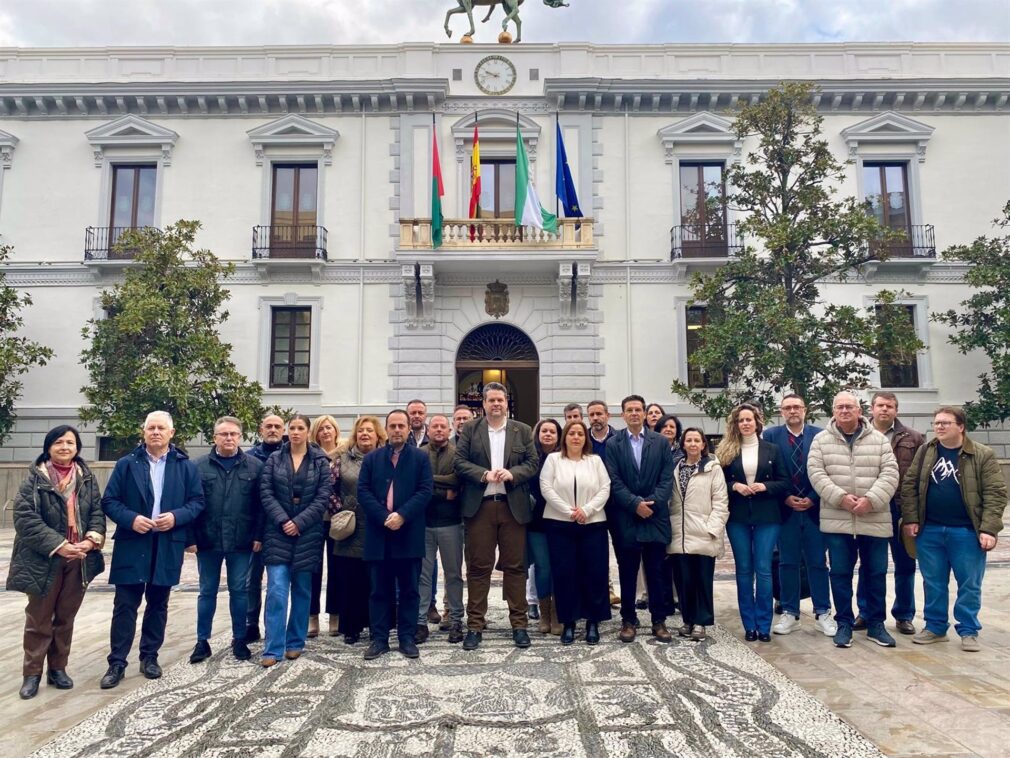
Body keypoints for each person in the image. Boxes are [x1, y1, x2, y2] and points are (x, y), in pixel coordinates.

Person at [100, 411, 205, 689]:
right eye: (151, 428)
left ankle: (149, 657)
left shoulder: (185, 466)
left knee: (158, 604)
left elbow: (197, 502)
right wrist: (131, 519)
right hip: (133, 541)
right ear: (143, 432)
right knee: (125, 605)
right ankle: (117, 662)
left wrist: (176, 517)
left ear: (171, 433)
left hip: (166, 542)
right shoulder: (126, 464)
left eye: (161, 428)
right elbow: (109, 501)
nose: (156, 432)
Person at [8, 425, 106, 699]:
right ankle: (32, 674)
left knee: (65, 617)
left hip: (79, 558)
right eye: (59, 442)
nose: (65, 447)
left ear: (77, 448)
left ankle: (58, 669)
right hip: (44, 558)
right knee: (39, 618)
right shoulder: (35, 479)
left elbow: (96, 512)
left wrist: (90, 540)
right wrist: (59, 545)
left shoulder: (86, 478)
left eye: (70, 443)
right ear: (48, 446)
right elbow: (25, 519)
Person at [902, 406, 1008, 652]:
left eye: (945, 423)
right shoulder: (926, 451)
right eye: (937, 422)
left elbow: (996, 493)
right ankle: (935, 627)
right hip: (930, 531)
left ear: (960, 426)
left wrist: (989, 529)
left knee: (969, 583)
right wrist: (911, 518)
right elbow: (910, 485)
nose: (939, 427)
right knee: (933, 581)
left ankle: (968, 630)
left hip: (966, 531)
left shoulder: (982, 454)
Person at [808, 391, 899, 649]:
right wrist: (841, 498)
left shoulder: (879, 440)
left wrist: (871, 499)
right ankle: (844, 623)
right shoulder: (821, 440)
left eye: (849, 406)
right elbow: (816, 473)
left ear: (860, 410)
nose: (845, 411)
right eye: (839, 407)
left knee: (876, 573)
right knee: (840, 573)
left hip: (874, 517)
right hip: (837, 519)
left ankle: (876, 623)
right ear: (833, 411)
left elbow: (891, 473)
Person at [454, 381, 539, 651]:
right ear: (483, 404)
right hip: (480, 506)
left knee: (515, 567)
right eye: (491, 400)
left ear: (506, 403)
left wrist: (514, 474)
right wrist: (483, 474)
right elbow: (459, 462)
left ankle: (520, 625)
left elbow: (533, 463)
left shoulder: (522, 430)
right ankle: (475, 626)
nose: (496, 404)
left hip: (512, 505)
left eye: (500, 400)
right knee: (479, 567)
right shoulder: (471, 428)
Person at [357, 410, 434, 660]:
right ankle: (379, 639)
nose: (397, 430)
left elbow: (424, 491)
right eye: (393, 426)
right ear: (386, 429)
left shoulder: (420, 458)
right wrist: (384, 516)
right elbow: (363, 492)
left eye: (402, 425)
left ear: (408, 429)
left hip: (408, 532)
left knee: (410, 590)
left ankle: (407, 638)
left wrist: (402, 515)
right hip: (379, 534)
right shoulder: (372, 459)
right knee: (379, 590)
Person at [258, 415, 332, 667]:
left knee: (302, 589)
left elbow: (323, 497)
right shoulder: (274, 459)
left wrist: (299, 522)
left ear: (308, 432)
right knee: (277, 589)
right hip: (278, 530)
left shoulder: (320, 461)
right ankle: (273, 646)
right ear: (287, 432)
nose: (296, 432)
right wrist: (283, 520)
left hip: (307, 531)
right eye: (293, 428)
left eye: (301, 428)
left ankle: (295, 642)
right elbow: (265, 493)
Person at [191, 416, 263, 664]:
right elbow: (191, 504)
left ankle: (240, 639)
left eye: (233, 434)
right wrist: (190, 538)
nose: (229, 438)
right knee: (206, 591)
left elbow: (260, 506)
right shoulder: (198, 467)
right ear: (215, 438)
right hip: (208, 539)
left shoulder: (254, 467)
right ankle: (202, 641)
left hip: (241, 541)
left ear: (240, 437)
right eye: (223, 434)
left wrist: (258, 535)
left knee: (239, 591)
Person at [763, 394, 835, 637]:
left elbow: (829, 470)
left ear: (805, 410)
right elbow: (768, 472)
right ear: (781, 412)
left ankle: (823, 611)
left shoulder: (820, 435)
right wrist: (784, 497)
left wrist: (813, 498)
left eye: (796, 407)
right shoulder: (771, 435)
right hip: (786, 509)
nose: (792, 411)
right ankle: (790, 612)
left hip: (815, 508)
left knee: (817, 562)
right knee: (787, 562)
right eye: (787, 408)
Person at [605, 395, 675, 643]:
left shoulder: (660, 443)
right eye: (629, 410)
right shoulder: (614, 444)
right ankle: (628, 619)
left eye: (638, 409)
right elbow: (613, 480)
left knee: (656, 571)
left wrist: (651, 505)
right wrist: (635, 504)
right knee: (627, 571)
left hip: (655, 517)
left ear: (645, 414)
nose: (634, 413)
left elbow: (667, 479)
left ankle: (659, 620)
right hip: (626, 517)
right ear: (622, 415)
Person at [718, 403, 789, 643]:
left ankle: (764, 625)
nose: (745, 423)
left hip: (767, 516)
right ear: (736, 425)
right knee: (744, 570)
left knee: (764, 569)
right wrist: (735, 486)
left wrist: (765, 486)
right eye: (741, 420)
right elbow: (719, 484)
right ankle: (749, 625)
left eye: (749, 419)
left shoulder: (772, 449)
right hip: (738, 516)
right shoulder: (728, 451)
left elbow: (784, 482)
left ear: (757, 422)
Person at [858, 392, 925, 635]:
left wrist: (914, 514)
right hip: (871, 506)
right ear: (871, 409)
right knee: (869, 564)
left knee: (905, 563)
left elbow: (919, 477)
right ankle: (865, 612)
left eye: (889, 406)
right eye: (880, 405)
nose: (884, 409)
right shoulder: (860, 435)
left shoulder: (914, 438)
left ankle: (904, 614)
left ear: (896, 410)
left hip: (900, 508)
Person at [540, 420, 612, 645]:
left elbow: (605, 488)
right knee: (564, 574)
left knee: (595, 573)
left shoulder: (595, 460)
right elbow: (546, 487)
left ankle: (593, 622)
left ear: (585, 438)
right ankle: (568, 622)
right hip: (560, 524)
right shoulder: (553, 459)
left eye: (580, 434)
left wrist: (587, 510)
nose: (576, 437)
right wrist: (569, 511)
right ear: (565, 438)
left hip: (593, 524)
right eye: (572, 433)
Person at [668, 427, 729, 642]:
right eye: (689, 440)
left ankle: (701, 621)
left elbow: (721, 502)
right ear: (683, 444)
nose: (693, 444)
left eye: (697, 440)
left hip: (703, 533)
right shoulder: (675, 468)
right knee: (684, 580)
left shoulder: (712, 469)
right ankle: (688, 619)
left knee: (702, 580)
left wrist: (712, 529)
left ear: (703, 445)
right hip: (679, 535)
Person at [331, 416, 386, 644]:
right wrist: (340, 509)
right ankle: (351, 627)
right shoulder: (341, 459)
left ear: (378, 436)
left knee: (376, 580)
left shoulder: (386, 458)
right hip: (350, 527)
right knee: (350, 579)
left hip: (378, 525)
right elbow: (329, 488)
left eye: (370, 431)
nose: (365, 434)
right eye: (361, 431)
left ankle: (377, 625)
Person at [416, 414, 465, 645]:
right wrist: (441, 490)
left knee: (453, 575)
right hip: (423, 523)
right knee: (423, 576)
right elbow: (417, 485)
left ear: (449, 429)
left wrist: (430, 482)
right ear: (428, 430)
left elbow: (459, 480)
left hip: (451, 523)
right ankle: (419, 622)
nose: (438, 430)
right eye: (434, 426)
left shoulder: (458, 453)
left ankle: (456, 620)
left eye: (442, 426)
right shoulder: (419, 454)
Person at [245, 413, 286, 642]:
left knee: (278, 583)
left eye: (277, 426)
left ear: (283, 430)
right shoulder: (249, 458)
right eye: (268, 426)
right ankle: (251, 623)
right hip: (253, 529)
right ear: (261, 430)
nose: (272, 430)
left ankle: (276, 628)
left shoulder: (291, 456)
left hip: (280, 527)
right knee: (251, 579)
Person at [308, 414, 344, 638]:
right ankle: (312, 617)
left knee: (337, 569)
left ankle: (335, 615)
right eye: (321, 428)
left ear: (336, 430)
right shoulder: (309, 456)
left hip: (338, 519)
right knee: (313, 569)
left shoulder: (343, 455)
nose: (325, 432)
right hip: (313, 519)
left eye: (329, 427)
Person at [586, 399, 623, 610]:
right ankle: (602, 593)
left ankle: (626, 596)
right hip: (593, 505)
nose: (596, 418)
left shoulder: (619, 439)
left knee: (622, 550)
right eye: (592, 415)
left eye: (599, 414)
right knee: (597, 553)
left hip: (617, 504)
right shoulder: (584, 442)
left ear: (608, 415)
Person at [529, 418, 563, 635]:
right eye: (544, 431)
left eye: (552, 431)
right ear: (538, 434)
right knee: (542, 568)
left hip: (561, 519)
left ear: (559, 435)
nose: (548, 434)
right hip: (536, 521)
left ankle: (558, 613)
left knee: (560, 567)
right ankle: (545, 613)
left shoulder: (564, 458)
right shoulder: (530, 457)